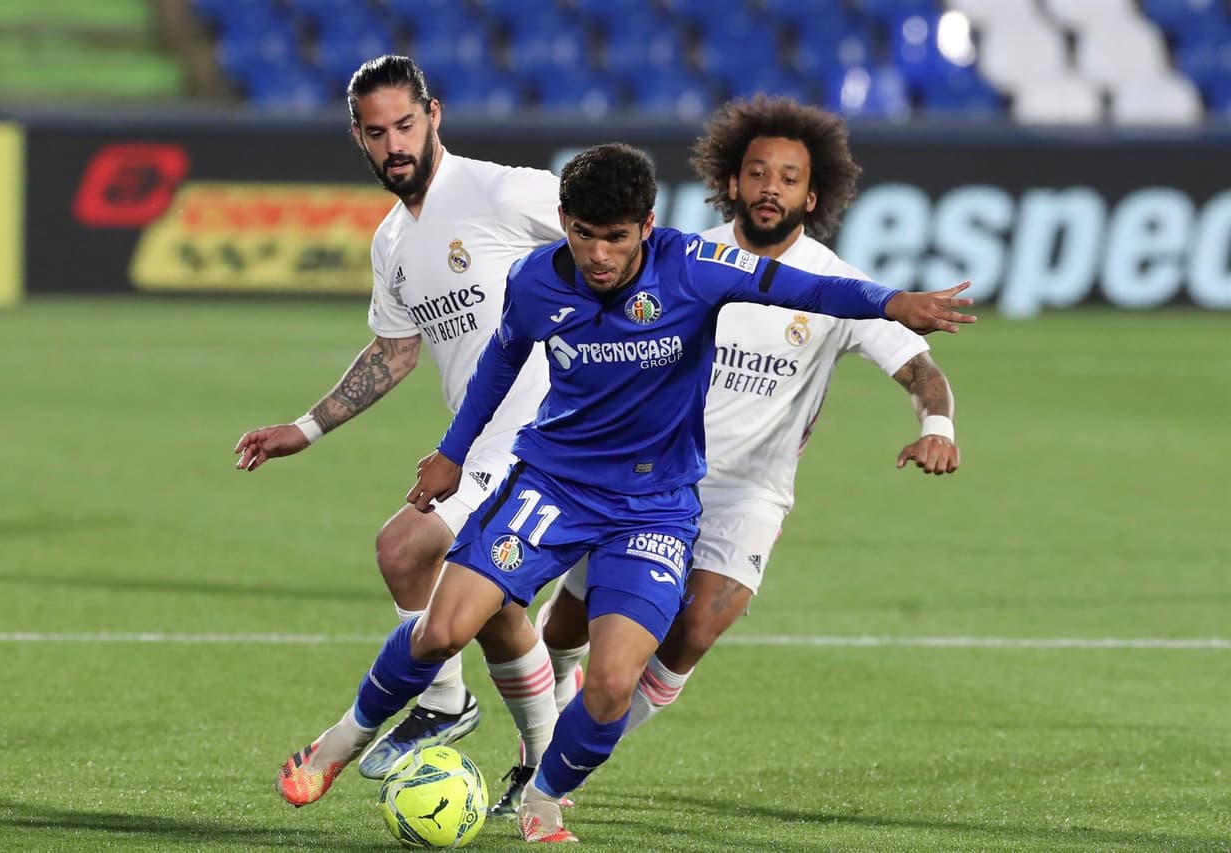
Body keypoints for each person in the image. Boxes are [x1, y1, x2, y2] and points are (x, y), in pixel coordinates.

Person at [273, 141, 975, 842]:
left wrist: (892, 303)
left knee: (611, 684)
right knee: (443, 628)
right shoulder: (536, 280)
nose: (598, 255)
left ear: (646, 224)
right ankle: (338, 742)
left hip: (655, 508)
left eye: (615, 237)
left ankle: (543, 796)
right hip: (554, 482)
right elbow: (500, 362)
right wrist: (452, 454)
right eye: (583, 235)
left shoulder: (694, 267)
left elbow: (808, 288)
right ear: (564, 221)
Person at [536, 97, 963, 746]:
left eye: (789, 179)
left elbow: (922, 372)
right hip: (646, 477)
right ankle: (548, 716)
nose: (772, 189)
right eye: (759, 172)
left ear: (813, 197)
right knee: (567, 627)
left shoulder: (837, 286)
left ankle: (557, 762)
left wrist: (938, 427)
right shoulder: (678, 260)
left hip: (748, 493)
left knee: (695, 630)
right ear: (731, 182)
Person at [234, 55, 569, 789]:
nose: (396, 145)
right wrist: (307, 427)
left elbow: (621, 232)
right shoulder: (391, 241)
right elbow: (394, 351)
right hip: (480, 437)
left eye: (407, 125)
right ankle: (543, 769)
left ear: (435, 115)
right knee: (494, 607)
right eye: (377, 132)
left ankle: (444, 702)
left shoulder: (502, 191)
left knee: (405, 545)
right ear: (357, 136)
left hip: (546, 432)